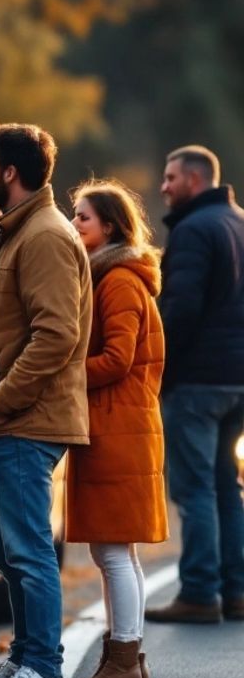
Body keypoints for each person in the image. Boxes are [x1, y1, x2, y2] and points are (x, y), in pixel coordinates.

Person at [0, 123, 92, 678]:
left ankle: (43, 670)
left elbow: (57, 333)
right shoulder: (19, 233)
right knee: (11, 551)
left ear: (10, 173)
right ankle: (25, 661)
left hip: (25, 422)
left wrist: (2, 400)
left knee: (29, 549)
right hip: (8, 422)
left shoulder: (42, 236)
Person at [65, 180, 167, 678]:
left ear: (109, 226)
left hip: (117, 428)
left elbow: (118, 360)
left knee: (112, 554)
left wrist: (63, 371)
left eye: (82, 217)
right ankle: (127, 660)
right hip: (120, 424)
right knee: (116, 553)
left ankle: (124, 659)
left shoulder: (118, 281)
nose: (74, 224)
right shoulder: (111, 277)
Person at [144, 145, 244, 623]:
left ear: (196, 180)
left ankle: (201, 593)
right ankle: (238, 590)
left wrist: (160, 369)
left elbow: (179, 310)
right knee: (227, 485)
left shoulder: (192, 231)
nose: (164, 186)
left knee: (195, 487)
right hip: (237, 381)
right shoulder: (239, 223)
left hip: (199, 381)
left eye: (171, 177)